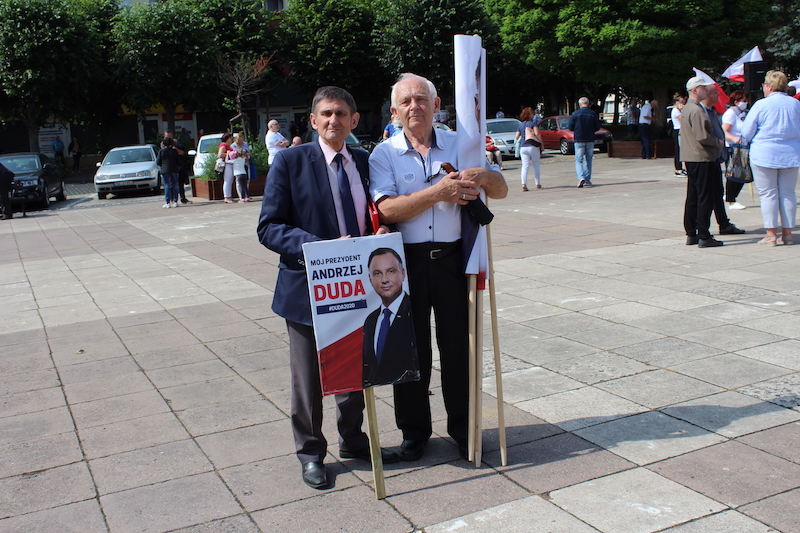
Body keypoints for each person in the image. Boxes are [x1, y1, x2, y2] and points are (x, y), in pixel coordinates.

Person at [257, 86, 399, 491]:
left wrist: (385, 230)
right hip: (306, 289)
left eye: (341, 113)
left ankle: (352, 439)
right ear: (313, 121)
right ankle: (310, 454)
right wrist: (320, 249)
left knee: (353, 371)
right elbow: (269, 227)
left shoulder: (366, 161)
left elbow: (382, 210)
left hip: (357, 289)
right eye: (326, 114)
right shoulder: (289, 162)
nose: (333, 120)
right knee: (308, 380)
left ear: (354, 120)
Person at [369, 73, 508, 461]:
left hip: (453, 260)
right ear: (394, 111)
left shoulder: (462, 143)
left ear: (436, 104)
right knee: (410, 351)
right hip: (406, 265)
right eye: (406, 101)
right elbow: (387, 209)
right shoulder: (384, 154)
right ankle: (414, 433)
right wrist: (437, 192)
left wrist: (484, 175)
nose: (414, 106)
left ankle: (464, 429)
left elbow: (500, 190)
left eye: (421, 99)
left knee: (459, 348)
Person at [740, 70, 800, 246]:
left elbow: (746, 132)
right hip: (791, 153)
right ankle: (787, 234)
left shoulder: (761, 104)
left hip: (764, 154)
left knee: (768, 194)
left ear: (769, 86)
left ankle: (771, 234)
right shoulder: (795, 104)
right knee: (788, 193)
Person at [362, 247, 418, 388]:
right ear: (370, 279)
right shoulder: (370, 320)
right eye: (377, 273)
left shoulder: (413, 311)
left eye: (391, 271)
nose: (384, 280)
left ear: (403, 273)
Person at [681, 77, 725, 248]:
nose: (706, 91)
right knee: (704, 197)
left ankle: (692, 232)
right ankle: (704, 235)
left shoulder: (688, 108)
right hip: (702, 157)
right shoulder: (697, 110)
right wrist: (717, 142)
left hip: (692, 157)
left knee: (693, 196)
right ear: (695, 90)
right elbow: (702, 136)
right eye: (703, 88)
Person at [701, 88, 746, 237]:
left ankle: (724, 222)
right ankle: (700, 230)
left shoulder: (713, 112)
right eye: (716, 93)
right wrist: (721, 142)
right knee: (707, 193)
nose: (719, 96)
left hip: (721, 153)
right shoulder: (704, 112)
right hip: (715, 153)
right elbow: (707, 135)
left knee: (718, 191)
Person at [721, 90, 749, 210]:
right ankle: (731, 200)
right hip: (733, 147)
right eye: (744, 100)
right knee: (734, 175)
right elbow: (724, 131)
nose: (746, 103)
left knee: (742, 175)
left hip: (743, 147)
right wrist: (734, 138)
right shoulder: (731, 113)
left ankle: (730, 196)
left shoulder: (743, 114)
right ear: (736, 101)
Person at [569, 97, 601, 188]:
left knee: (579, 160)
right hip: (590, 138)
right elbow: (597, 127)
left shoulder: (575, 114)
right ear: (588, 104)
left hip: (579, 139)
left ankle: (581, 177)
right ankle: (587, 179)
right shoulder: (593, 114)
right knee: (589, 160)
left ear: (580, 104)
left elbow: (570, 127)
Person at [515, 107, 541, 191]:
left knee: (525, 166)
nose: (533, 115)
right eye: (532, 113)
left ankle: (524, 184)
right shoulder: (533, 123)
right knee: (536, 165)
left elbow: (516, 136)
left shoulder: (521, 125)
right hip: (532, 146)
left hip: (523, 147)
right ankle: (537, 183)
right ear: (530, 115)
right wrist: (541, 144)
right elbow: (537, 133)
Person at [162, 129, 191, 204]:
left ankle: (182, 198)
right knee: (170, 184)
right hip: (169, 167)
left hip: (177, 165)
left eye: (170, 136)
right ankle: (172, 199)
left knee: (180, 182)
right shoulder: (163, 144)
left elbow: (182, 151)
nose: (168, 138)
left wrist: (176, 150)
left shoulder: (176, 142)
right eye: (167, 136)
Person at [156, 137, 181, 209]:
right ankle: (175, 201)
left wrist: (162, 165)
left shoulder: (161, 151)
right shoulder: (174, 151)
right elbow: (179, 161)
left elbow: (158, 162)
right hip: (174, 169)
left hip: (165, 170)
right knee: (175, 185)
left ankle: (168, 202)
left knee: (166, 185)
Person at [229, 133, 251, 203]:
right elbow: (231, 156)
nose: (240, 142)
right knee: (239, 182)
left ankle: (246, 196)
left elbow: (249, 153)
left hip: (245, 163)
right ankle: (241, 196)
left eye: (241, 141)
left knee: (246, 180)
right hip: (238, 165)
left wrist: (247, 157)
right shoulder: (232, 146)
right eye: (238, 141)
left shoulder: (245, 144)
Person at [670, 94, 687, 176]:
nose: (683, 104)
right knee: (678, 150)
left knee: (681, 150)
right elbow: (684, 119)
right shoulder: (676, 111)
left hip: (680, 130)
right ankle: (678, 169)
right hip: (678, 130)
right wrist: (683, 109)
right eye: (681, 102)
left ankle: (680, 168)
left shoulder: (678, 111)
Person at [217, 133, 236, 204]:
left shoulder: (227, 145)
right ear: (227, 138)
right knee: (227, 180)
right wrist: (229, 154)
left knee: (230, 180)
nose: (231, 139)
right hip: (227, 164)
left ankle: (229, 196)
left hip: (230, 164)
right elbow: (220, 154)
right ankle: (227, 197)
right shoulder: (223, 145)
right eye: (230, 138)